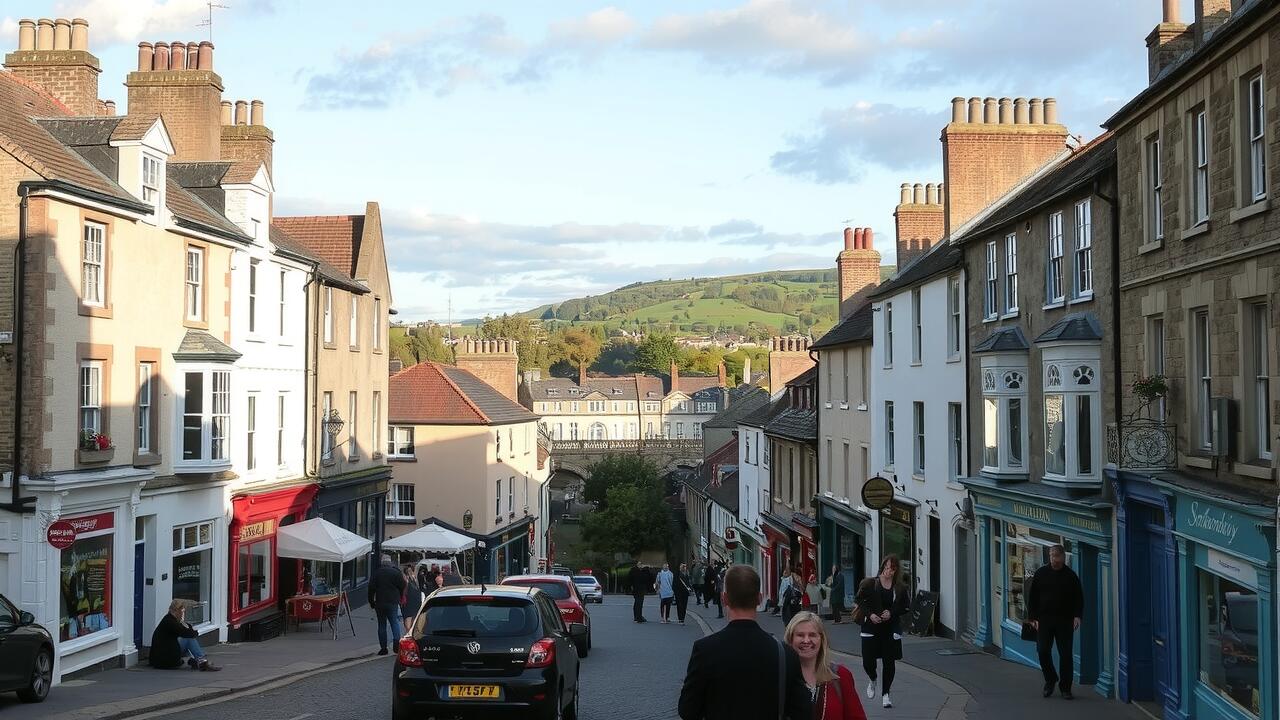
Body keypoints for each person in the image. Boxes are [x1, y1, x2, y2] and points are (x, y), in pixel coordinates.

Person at [678, 564, 812, 720]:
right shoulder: (785, 653)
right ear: (759, 598)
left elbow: (687, 710)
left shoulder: (705, 650)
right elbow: (803, 712)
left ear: (724, 598)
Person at [786, 611, 867, 720]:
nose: (806, 640)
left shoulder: (840, 676)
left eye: (812, 635)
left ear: (822, 639)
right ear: (790, 639)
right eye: (800, 635)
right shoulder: (780, 676)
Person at [1028, 544, 1084, 700]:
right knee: (1042, 650)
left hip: (1064, 620)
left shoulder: (1071, 576)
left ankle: (1066, 688)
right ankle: (1050, 679)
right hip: (1044, 620)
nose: (1054, 559)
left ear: (1063, 558)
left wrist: (1077, 616)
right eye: (1052, 556)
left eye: (1057, 556)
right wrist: (1032, 617)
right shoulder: (1041, 573)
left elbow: (1078, 598)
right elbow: (1032, 596)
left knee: (1065, 655)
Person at [854, 555, 910, 709]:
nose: (888, 571)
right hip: (870, 627)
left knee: (889, 663)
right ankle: (873, 680)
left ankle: (886, 694)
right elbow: (859, 600)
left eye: (891, 569)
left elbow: (905, 606)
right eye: (886, 567)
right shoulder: (870, 583)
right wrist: (870, 614)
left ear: (896, 570)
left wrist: (891, 613)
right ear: (882, 566)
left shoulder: (899, 587)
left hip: (889, 629)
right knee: (867, 661)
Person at [149, 600, 220, 671]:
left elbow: (187, 630)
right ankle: (201, 661)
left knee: (187, 640)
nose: (183, 613)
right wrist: (195, 632)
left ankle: (197, 660)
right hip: (165, 660)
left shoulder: (169, 619)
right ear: (177, 610)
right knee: (188, 639)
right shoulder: (170, 622)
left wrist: (184, 623)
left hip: (162, 657)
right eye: (182, 611)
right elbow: (188, 634)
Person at [369, 553, 407, 656]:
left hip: (380, 602)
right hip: (393, 601)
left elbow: (371, 588)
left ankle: (383, 648)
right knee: (394, 622)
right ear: (390, 563)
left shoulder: (377, 573)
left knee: (382, 625)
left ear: (382, 562)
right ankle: (396, 644)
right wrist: (399, 595)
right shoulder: (395, 573)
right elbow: (403, 585)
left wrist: (371, 602)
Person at [400, 565, 423, 634]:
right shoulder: (414, 579)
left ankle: (408, 633)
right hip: (417, 599)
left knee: (407, 617)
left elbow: (403, 590)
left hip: (408, 600)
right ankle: (411, 632)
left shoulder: (405, 579)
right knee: (413, 617)